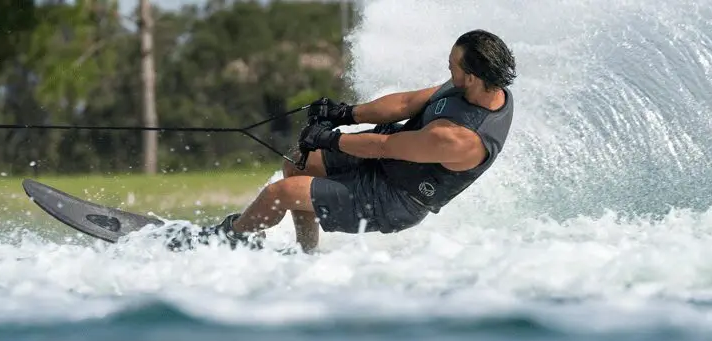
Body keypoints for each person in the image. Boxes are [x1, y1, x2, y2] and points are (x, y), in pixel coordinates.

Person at [172, 29, 516, 253]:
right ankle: (306, 255)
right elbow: (405, 103)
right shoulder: (470, 85)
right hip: (387, 160)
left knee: (280, 194)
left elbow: (385, 148)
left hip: (394, 197)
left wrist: (331, 139)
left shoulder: (459, 140)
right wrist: (346, 114)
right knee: (297, 162)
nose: (448, 69)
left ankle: (229, 240)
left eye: (453, 66)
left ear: (472, 76)